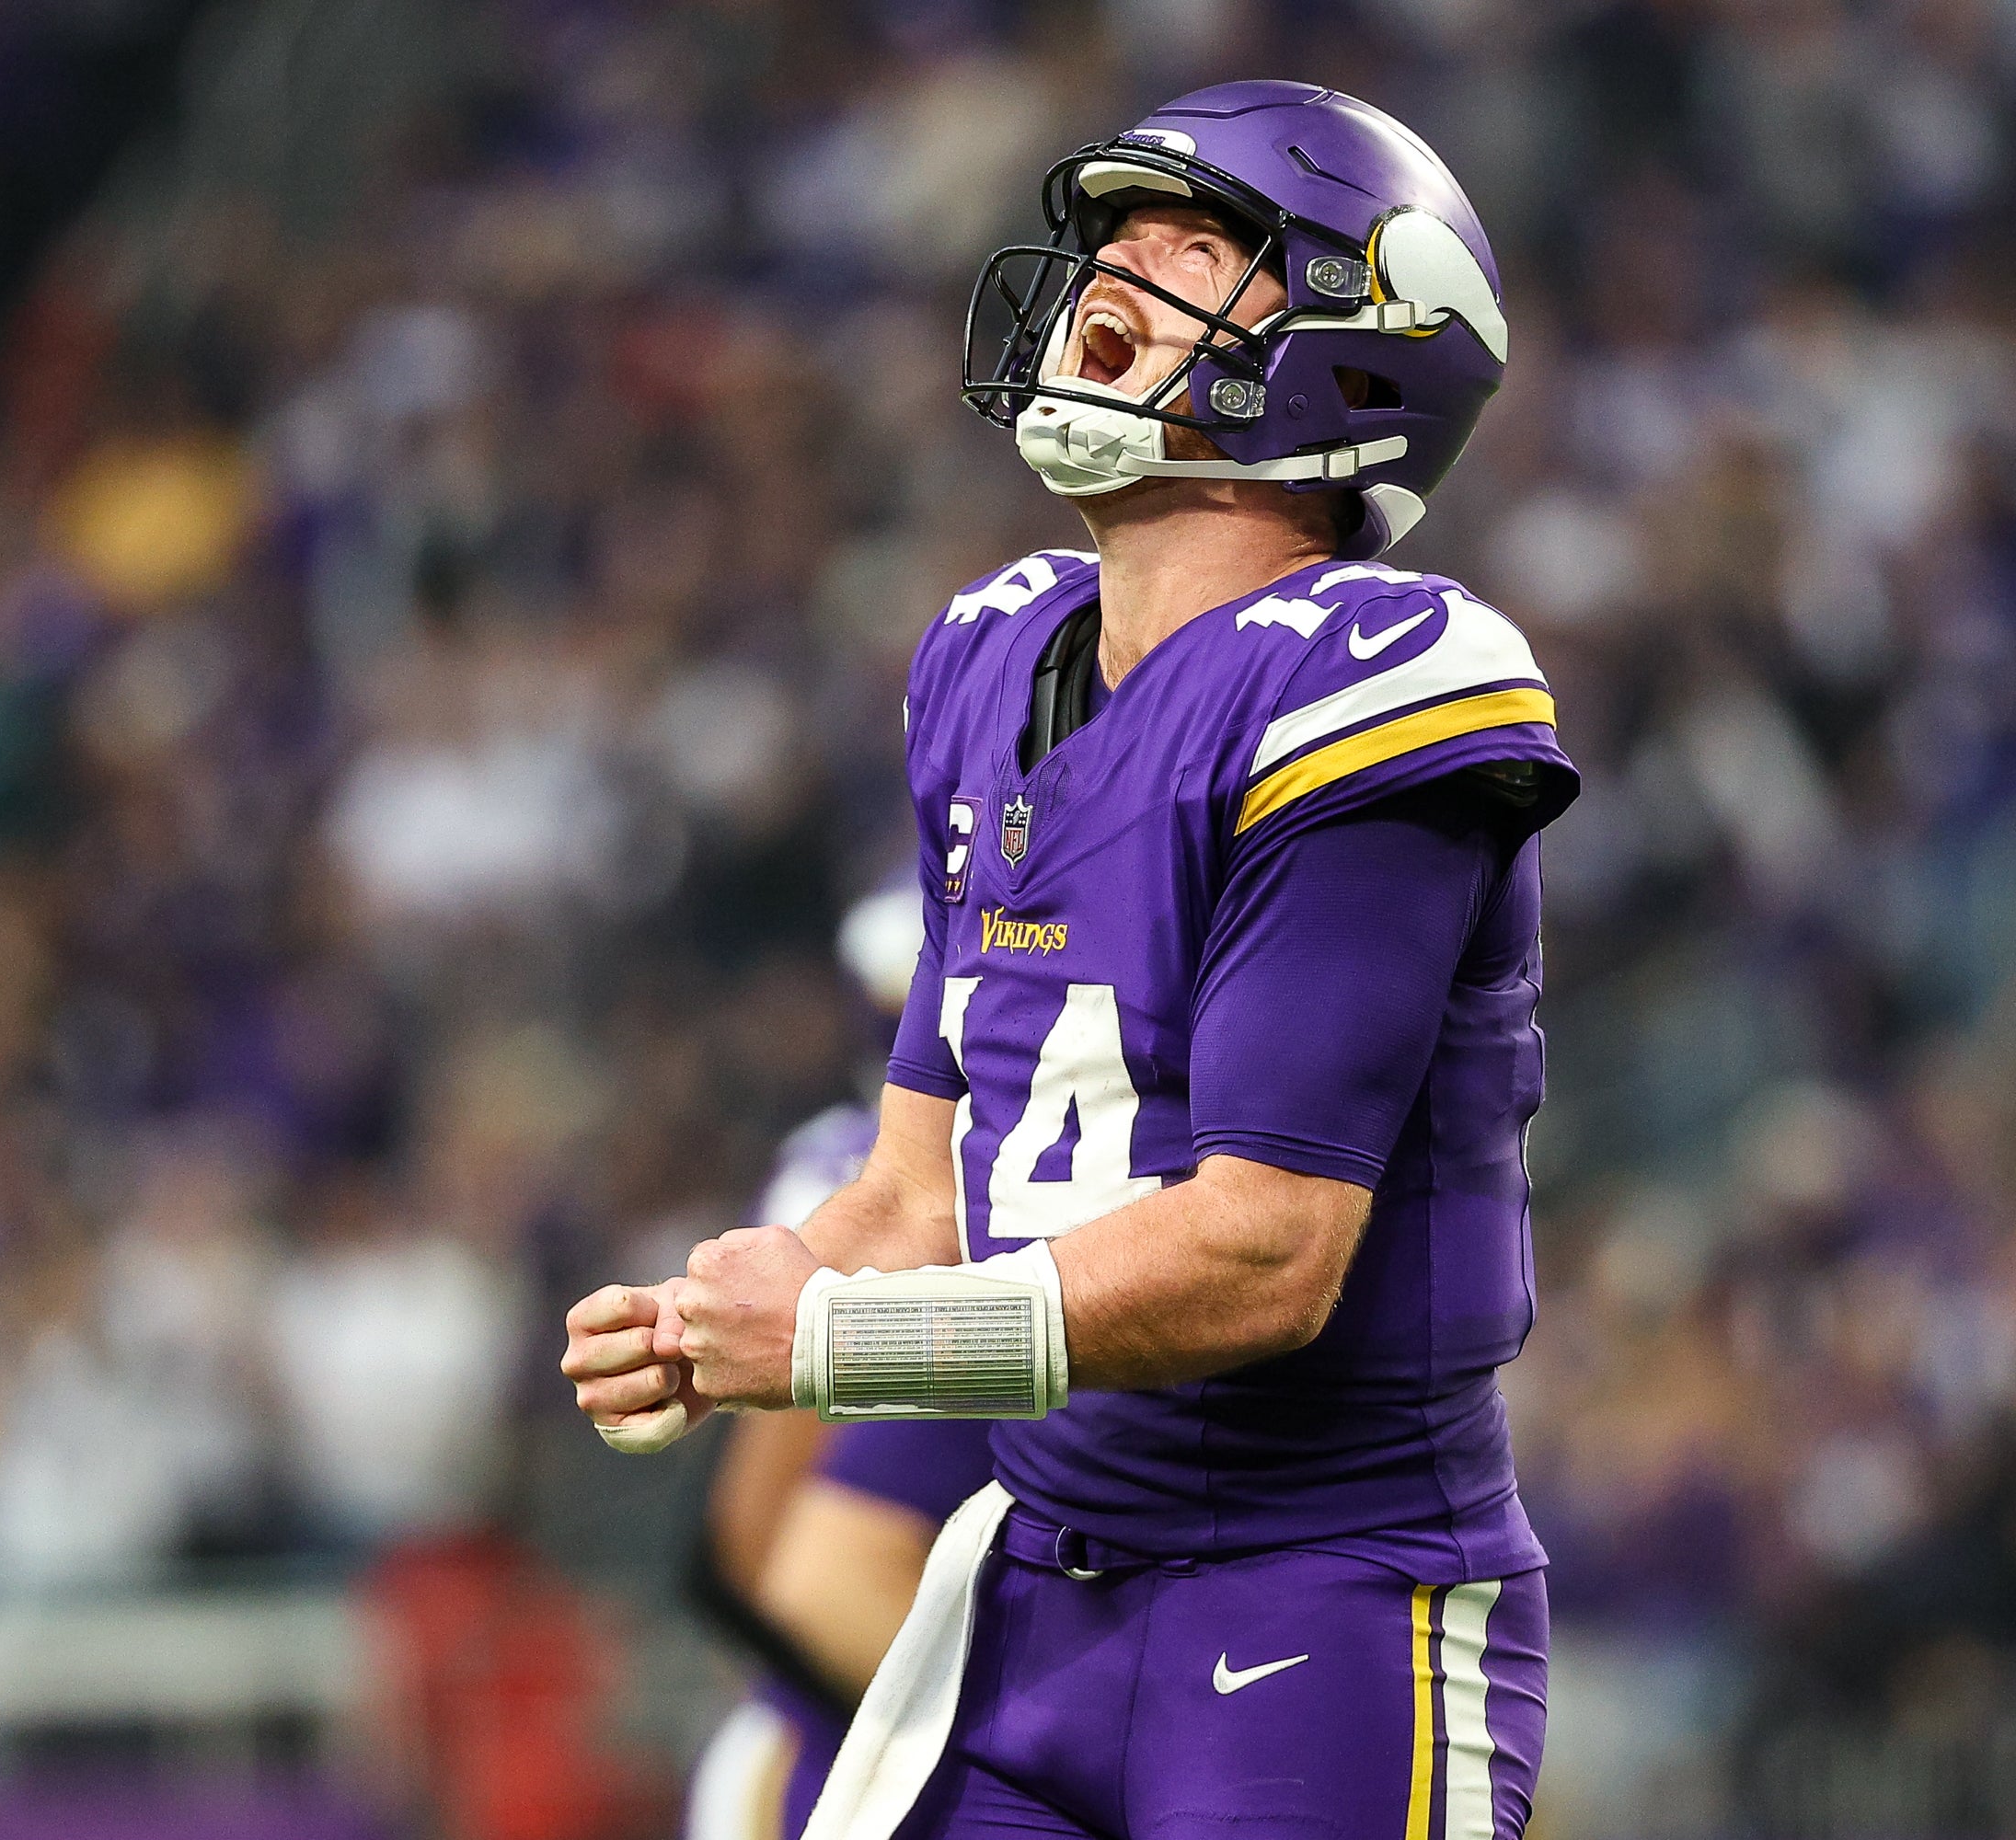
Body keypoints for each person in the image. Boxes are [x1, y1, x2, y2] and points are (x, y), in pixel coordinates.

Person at [566, 81, 1576, 1840]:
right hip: (1038, 1588)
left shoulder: (1380, 672)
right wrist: (727, 1309)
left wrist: (841, 1347)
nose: (1119, 264)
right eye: (1113, 228)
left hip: (1323, 1598)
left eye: (1202, 245)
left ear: (1360, 351)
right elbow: (920, 1188)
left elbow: (1266, 1253)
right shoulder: (989, 651)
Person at [687, 901, 998, 1840]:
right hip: (849, 1722)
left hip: (823, 1709)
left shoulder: (832, 1156)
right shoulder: (896, 1186)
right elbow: (768, 1541)